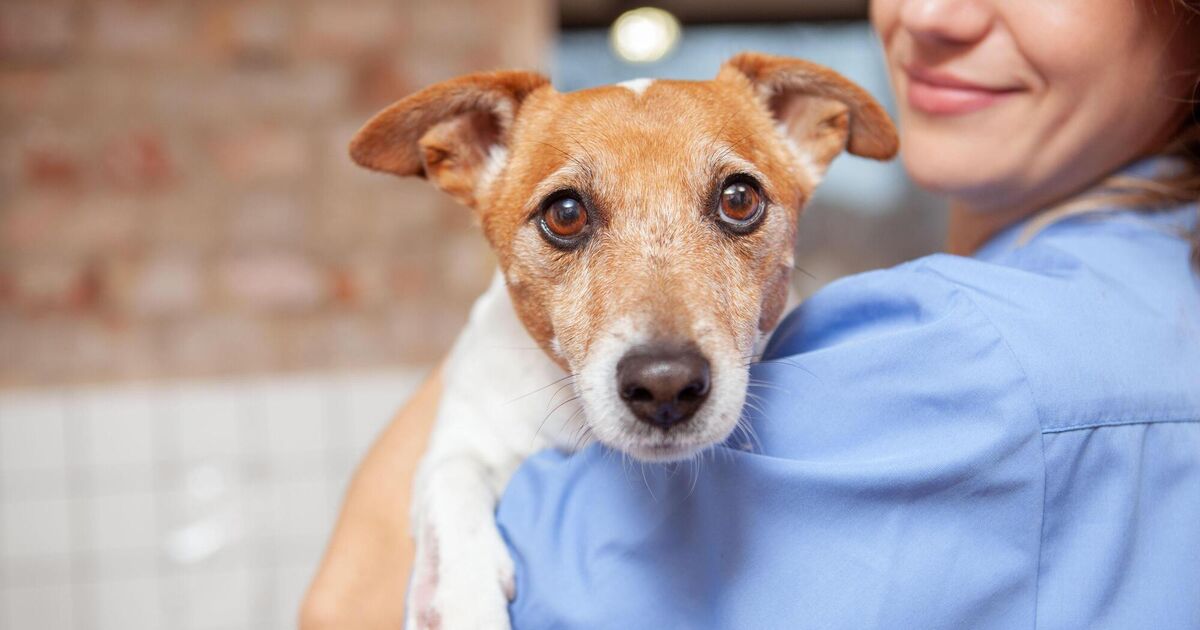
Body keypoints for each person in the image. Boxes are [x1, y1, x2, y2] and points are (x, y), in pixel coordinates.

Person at [302, 0, 1200, 627]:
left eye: (734, 203)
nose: (930, 13)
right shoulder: (1147, 294)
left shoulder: (967, 357)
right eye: (571, 215)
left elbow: (350, 608)